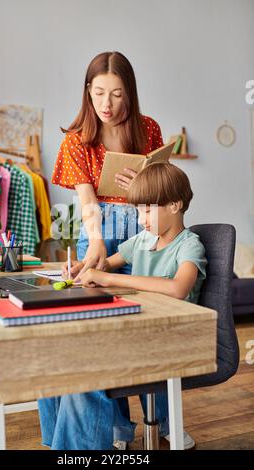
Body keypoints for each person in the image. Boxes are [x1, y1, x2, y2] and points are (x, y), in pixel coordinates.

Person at [39, 51, 164, 448]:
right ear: (87, 92)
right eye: (98, 94)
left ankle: (159, 422)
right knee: (92, 332)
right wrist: (95, 239)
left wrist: (139, 191)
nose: (106, 105)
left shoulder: (148, 129)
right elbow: (87, 200)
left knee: (150, 326)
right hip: (97, 232)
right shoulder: (77, 139)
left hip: (142, 231)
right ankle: (109, 430)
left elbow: (162, 198)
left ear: (130, 94)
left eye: (116, 95)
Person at [38, 162, 206, 450]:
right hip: (138, 331)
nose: (141, 219)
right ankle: (60, 446)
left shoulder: (189, 245)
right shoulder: (143, 240)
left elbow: (178, 288)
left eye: (148, 209)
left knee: (83, 371)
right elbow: (105, 264)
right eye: (138, 210)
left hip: (169, 340)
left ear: (176, 205)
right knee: (57, 357)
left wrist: (106, 278)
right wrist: (81, 269)